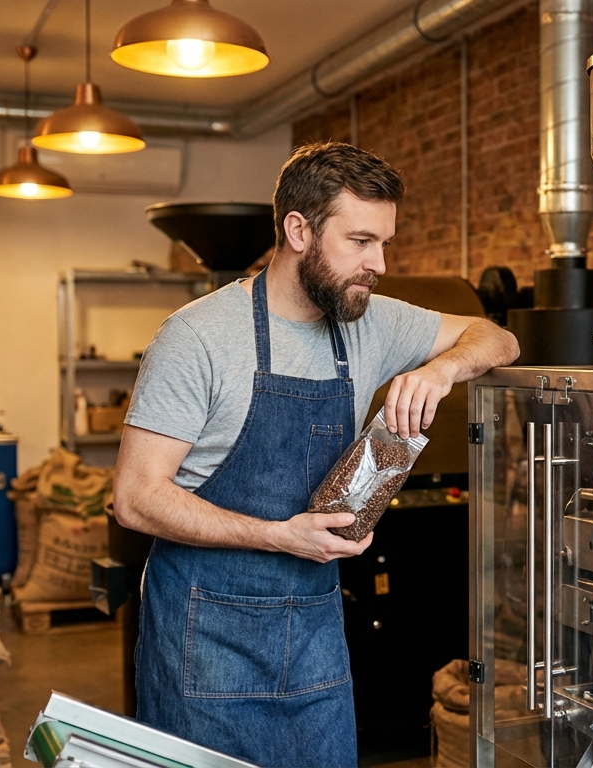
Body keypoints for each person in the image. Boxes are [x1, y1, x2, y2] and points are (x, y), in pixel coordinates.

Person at [111, 141, 519, 767]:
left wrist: (441, 372)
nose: (378, 263)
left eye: (384, 242)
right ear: (298, 230)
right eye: (360, 242)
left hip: (313, 631)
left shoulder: (368, 322)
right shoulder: (198, 336)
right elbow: (136, 500)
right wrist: (279, 536)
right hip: (204, 634)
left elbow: (497, 336)